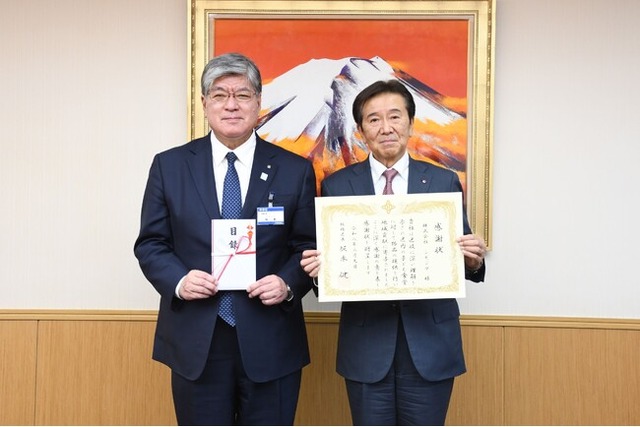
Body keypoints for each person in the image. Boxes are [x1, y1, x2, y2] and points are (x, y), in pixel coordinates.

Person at [134, 52, 316, 425]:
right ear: (204, 103)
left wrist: (287, 283)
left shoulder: (294, 169)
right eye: (219, 95)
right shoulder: (170, 166)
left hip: (271, 338)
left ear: (258, 102)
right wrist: (180, 281)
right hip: (197, 338)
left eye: (242, 95)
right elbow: (151, 243)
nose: (231, 105)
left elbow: (307, 246)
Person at [300, 79, 486, 426]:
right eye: (374, 119)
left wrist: (473, 260)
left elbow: (460, 262)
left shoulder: (443, 181)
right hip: (366, 345)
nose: (386, 128)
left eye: (395, 116)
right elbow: (333, 267)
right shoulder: (338, 186)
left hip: (430, 343)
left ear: (411, 123)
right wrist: (318, 271)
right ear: (361, 130)